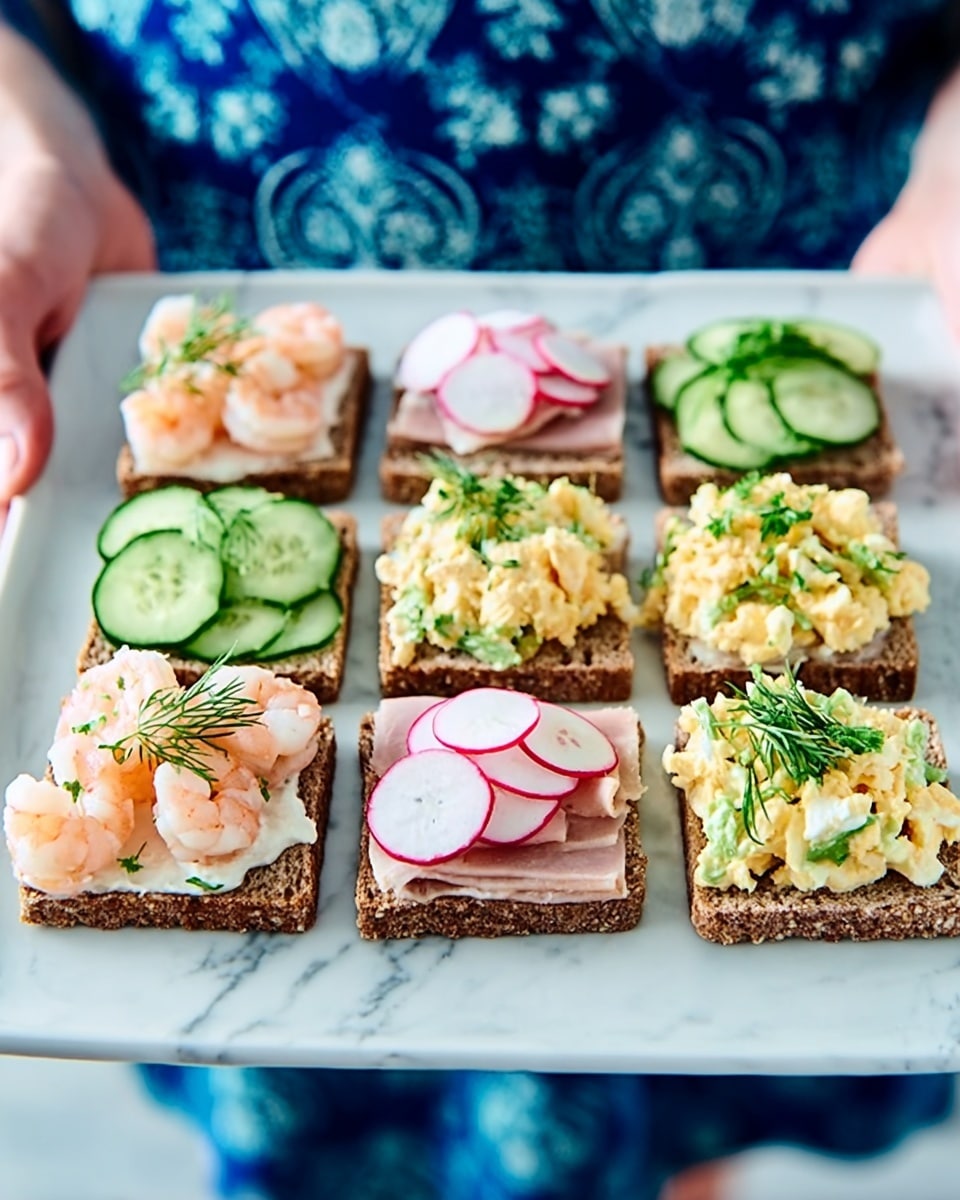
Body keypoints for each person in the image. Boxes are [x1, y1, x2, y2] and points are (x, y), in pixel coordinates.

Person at [0, 3, 957, 1198]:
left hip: (818, 206)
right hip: (200, 200)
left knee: (681, 1093)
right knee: (331, 1112)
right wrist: (30, 146)